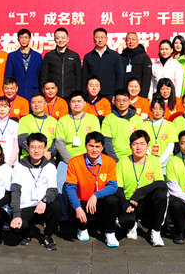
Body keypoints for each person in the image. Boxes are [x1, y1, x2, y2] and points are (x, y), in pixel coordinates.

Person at [66, 131, 120, 247]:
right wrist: (78, 207)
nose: (94, 150)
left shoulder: (110, 162)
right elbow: (70, 187)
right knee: (73, 208)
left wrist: (96, 195)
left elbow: (113, 186)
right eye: (91, 146)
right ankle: (82, 228)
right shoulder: (74, 162)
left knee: (112, 200)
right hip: (83, 203)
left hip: (100, 202)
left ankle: (110, 232)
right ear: (86, 146)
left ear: (102, 148)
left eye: (97, 146)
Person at [55, 91, 102, 221]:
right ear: (69, 104)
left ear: (84, 103)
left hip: (88, 159)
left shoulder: (92, 119)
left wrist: (87, 159)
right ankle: (63, 216)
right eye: (73, 101)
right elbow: (59, 143)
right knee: (60, 182)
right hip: (68, 159)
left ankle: (90, 214)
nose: (76, 104)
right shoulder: (63, 120)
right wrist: (71, 161)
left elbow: (95, 143)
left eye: (79, 101)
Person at [115, 130, 167, 247]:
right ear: (130, 146)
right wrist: (125, 205)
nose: (139, 147)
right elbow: (118, 188)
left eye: (142, 144)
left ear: (148, 145)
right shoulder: (122, 162)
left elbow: (160, 183)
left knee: (161, 193)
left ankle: (156, 231)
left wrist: (139, 192)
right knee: (125, 221)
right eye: (135, 144)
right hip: (130, 202)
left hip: (146, 203)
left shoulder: (154, 161)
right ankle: (132, 224)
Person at [8, 133, 60, 250]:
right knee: (15, 229)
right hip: (25, 208)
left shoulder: (50, 167)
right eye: (33, 147)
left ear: (45, 148)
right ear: (27, 148)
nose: (36, 150)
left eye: (40, 147)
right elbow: (15, 192)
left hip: (42, 207)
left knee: (56, 206)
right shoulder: (19, 167)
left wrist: (44, 201)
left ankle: (47, 236)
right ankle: (26, 232)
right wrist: (16, 214)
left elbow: (53, 190)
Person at [101, 89, 145, 161]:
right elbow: (107, 141)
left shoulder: (138, 120)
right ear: (114, 101)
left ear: (129, 101)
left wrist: (133, 158)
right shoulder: (108, 119)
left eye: (125, 100)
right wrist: (115, 159)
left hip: (133, 159)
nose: (121, 103)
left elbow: (140, 141)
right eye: (118, 100)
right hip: (114, 159)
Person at [82, 28, 124, 99]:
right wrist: (85, 94)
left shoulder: (115, 56)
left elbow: (119, 76)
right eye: (97, 37)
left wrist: (117, 94)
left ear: (107, 39)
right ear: (94, 39)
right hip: (93, 95)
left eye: (102, 37)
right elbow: (84, 77)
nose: (100, 40)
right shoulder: (88, 57)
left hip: (110, 94)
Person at [40, 27, 82, 98]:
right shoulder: (49, 56)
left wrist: (77, 93)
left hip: (70, 95)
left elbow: (78, 77)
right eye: (58, 38)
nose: (60, 40)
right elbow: (44, 76)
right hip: (54, 95)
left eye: (63, 38)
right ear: (54, 39)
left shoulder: (74, 56)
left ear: (67, 39)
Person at [17, 92, 58, 160]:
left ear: (45, 104)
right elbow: (22, 140)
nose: (36, 104)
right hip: (28, 158)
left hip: (47, 157)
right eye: (33, 102)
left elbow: (56, 141)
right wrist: (36, 153)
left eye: (39, 102)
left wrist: (50, 153)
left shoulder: (53, 121)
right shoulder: (24, 120)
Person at [5, 28, 43, 100]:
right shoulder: (12, 56)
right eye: (21, 37)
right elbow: (9, 74)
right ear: (18, 39)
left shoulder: (38, 56)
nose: (24, 40)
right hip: (18, 91)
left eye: (26, 37)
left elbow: (41, 75)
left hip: (33, 90)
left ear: (30, 39)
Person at [146, 99, 178, 169]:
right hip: (148, 160)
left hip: (165, 161)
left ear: (164, 110)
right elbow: (143, 145)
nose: (158, 111)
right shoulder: (144, 125)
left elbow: (170, 146)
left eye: (160, 109)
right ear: (151, 109)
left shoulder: (170, 125)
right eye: (155, 108)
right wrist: (151, 159)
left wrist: (159, 161)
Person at [120, 32, 152, 98]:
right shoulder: (121, 57)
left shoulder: (144, 57)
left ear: (138, 41)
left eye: (133, 39)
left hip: (139, 94)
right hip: (124, 94)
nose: (131, 42)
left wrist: (142, 96)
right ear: (125, 42)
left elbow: (146, 78)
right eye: (128, 39)